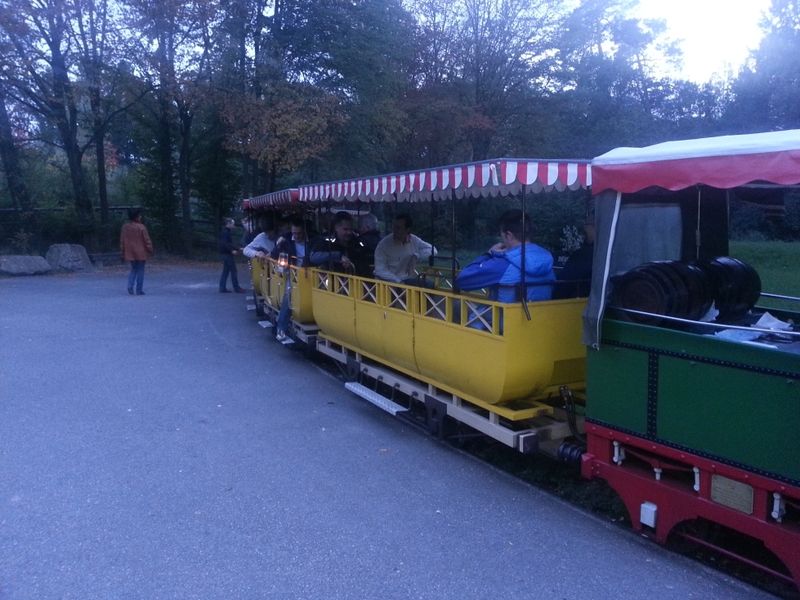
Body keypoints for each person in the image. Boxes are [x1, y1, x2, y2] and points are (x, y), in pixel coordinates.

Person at [456, 209, 555, 302]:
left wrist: (488, 254)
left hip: (502, 319)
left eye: (502, 235)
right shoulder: (547, 262)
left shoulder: (502, 264)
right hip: (541, 318)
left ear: (509, 235)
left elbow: (461, 281)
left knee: (456, 309)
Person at [271, 218, 310, 343]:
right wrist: (279, 245)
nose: (296, 236)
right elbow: (274, 255)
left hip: (309, 273)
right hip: (294, 274)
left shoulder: (312, 240)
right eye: (294, 233)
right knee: (289, 294)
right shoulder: (286, 240)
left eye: (299, 233)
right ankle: (281, 327)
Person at [373, 214, 437, 283]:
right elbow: (380, 270)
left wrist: (416, 256)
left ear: (407, 229)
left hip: (406, 280)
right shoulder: (383, 244)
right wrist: (398, 281)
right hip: (387, 283)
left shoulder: (414, 240)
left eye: (398, 228)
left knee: (430, 284)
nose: (394, 230)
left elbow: (433, 250)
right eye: (394, 227)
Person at [555, 216, 595, 298]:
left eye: (587, 225)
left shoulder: (582, 255)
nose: (584, 228)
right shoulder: (611, 253)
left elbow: (563, 284)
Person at [120, 208, 154, 296]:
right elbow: (147, 240)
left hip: (130, 252)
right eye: (139, 216)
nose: (140, 217)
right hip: (141, 252)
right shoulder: (141, 227)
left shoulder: (125, 227)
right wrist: (150, 249)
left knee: (133, 269)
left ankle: (130, 286)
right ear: (137, 217)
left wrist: (122, 252)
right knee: (140, 270)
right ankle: (139, 290)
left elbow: (122, 241)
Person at [219, 217, 246, 293]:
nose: (234, 225)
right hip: (227, 254)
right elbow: (225, 244)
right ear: (228, 224)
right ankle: (236, 288)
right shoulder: (225, 232)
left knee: (226, 271)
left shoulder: (226, 231)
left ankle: (222, 288)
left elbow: (229, 244)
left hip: (225, 254)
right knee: (233, 271)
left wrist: (237, 248)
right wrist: (232, 250)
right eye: (232, 224)